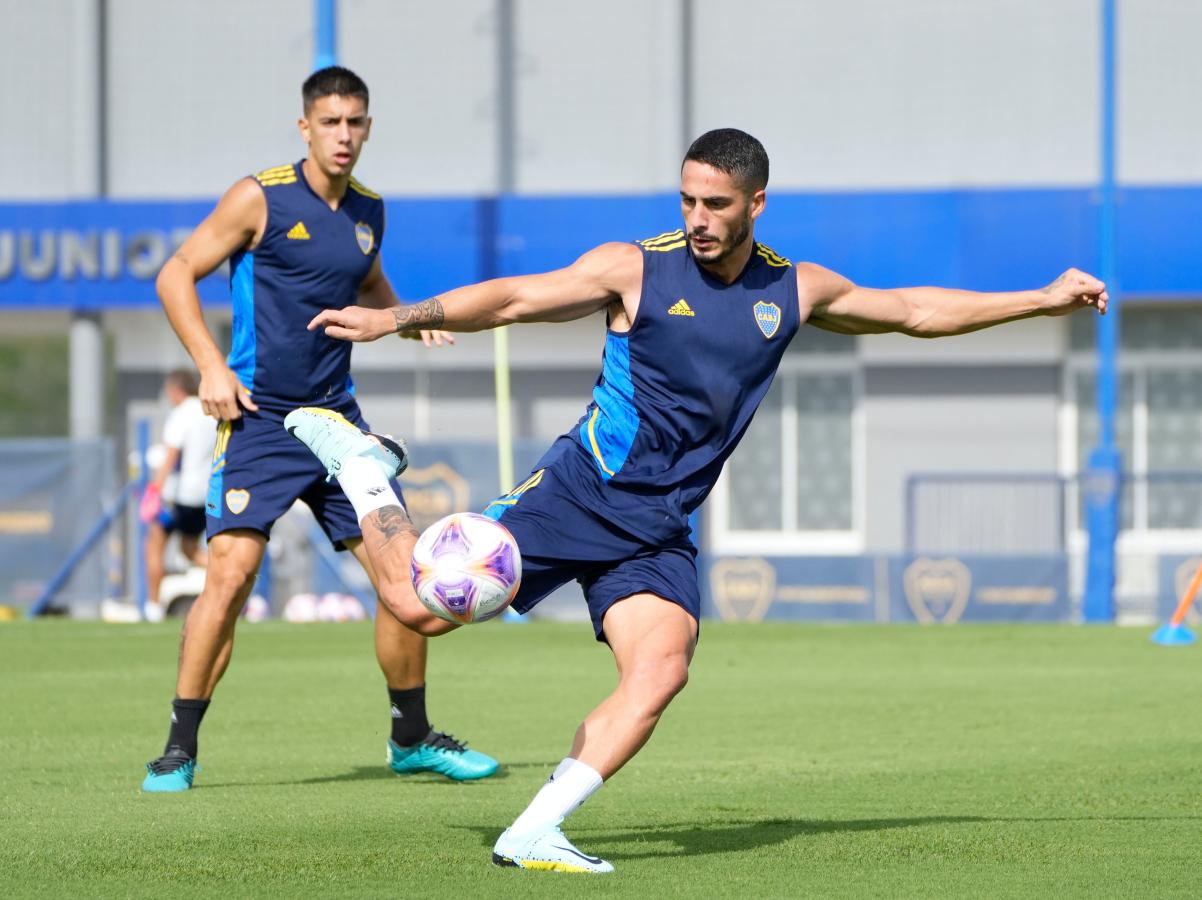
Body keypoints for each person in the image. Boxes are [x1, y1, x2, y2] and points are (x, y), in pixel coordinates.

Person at [285, 128, 1108, 872]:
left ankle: (533, 831)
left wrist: (1041, 297)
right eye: (687, 200)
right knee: (415, 605)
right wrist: (397, 317)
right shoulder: (634, 268)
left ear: (755, 203)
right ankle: (362, 469)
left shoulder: (794, 289)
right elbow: (515, 299)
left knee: (662, 668)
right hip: (580, 491)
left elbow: (917, 311)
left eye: (716, 203)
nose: (699, 217)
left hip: (658, 526)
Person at [141, 66, 497, 792]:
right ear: (305, 127)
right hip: (259, 419)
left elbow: (364, 279)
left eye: (356, 122)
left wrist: (403, 320)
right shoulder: (259, 196)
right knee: (232, 576)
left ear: (369, 127)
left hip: (339, 423)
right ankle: (178, 748)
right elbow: (177, 272)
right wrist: (211, 366)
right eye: (330, 122)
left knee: (405, 581)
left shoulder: (370, 209)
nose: (344, 135)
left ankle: (412, 738)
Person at [140, 368, 216, 622]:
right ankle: (235, 581)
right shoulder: (210, 413)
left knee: (154, 545)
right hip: (204, 493)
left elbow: (171, 456)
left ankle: (152, 606)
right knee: (189, 550)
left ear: (176, 390)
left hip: (177, 495)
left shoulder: (181, 414)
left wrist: (154, 490)